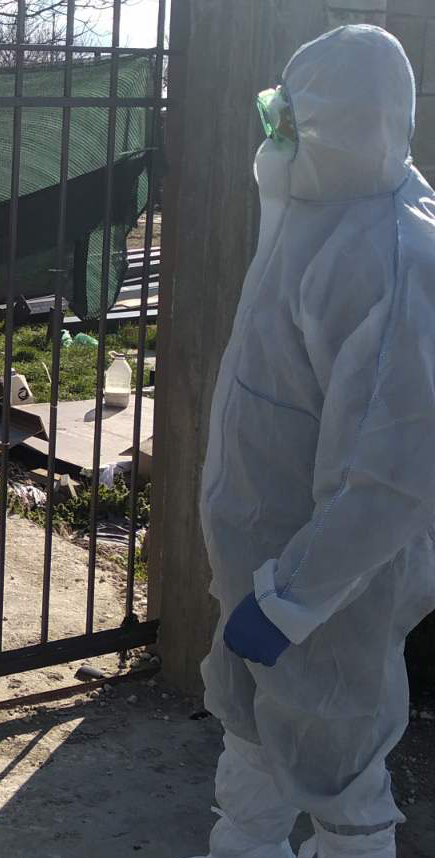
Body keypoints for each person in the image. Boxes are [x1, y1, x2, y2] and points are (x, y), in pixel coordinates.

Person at [194, 25, 435, 858]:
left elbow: (389, 477)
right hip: (260, 571)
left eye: (289, 117)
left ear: (343, 120)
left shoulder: (397, 255)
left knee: (342, 784)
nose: (276, 134)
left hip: (327, 596)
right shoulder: (313, 215)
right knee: (252, 761)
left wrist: (291, 600)